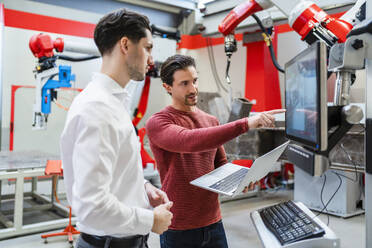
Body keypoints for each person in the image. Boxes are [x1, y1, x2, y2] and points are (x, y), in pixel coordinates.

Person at [60, 9, 173, 248]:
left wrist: (143, 189)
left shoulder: (113, 102)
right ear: (125, 45)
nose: (151, 59)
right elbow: (92, 206)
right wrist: (150, 220)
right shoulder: (97, 109)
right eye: (148, 47)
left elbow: (114, 172)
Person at [145, 54, 285, 248]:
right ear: (167, 87)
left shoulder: (210, 120)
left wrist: (237, 181)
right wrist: (246, 123)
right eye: (184, 83)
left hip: (213, 222)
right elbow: (189, 141)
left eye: (194, 81)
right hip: (178, 226)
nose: (193, 89)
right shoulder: (159, 122)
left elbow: (220, 164)